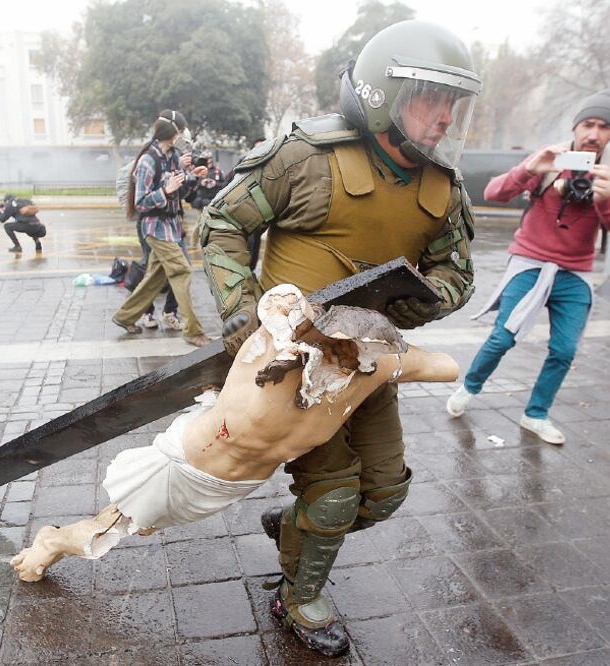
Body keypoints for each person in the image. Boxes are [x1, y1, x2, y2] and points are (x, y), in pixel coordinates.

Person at [198, 20, 480, 656]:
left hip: (368, 364)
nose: (443, 118)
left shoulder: (442, 187)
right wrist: (247, 316)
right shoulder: (306, 159)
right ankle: (297, 597)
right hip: (290, 370)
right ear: (383, 92)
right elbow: (221, 225)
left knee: (383, 494)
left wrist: (426, 299)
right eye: (429, 98)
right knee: (332, 497)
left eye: (452, 103)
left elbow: (456, 271)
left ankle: (297, 530)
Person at [10, 284, 458, 582]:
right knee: (116, 530)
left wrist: (397, 339)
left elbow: (447, 367)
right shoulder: (270, 359)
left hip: (232, 487)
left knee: (136, 527)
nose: (343, 363)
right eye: (337, 349)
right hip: (185, 467)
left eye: (354, 357)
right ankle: (51, 541)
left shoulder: (369, 372)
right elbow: (279, 301)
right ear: (314, 337)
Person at [446, 89, 610, 445]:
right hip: (530, 260)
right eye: (587, 124)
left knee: (564, 349)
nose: (594, 134)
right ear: (576, 127)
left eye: (603, 127)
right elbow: (493, 192)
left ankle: (536, 414)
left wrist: (607, 199)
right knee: (503, 337)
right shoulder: (555, 156)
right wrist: (532, 167)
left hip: (575, 271)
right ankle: (470, 387)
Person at [112, 109, 211, 347]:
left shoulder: (172, 157)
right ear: (171, 132)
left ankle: (124, 317)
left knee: (155, 278)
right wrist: (164, 191)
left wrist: (193, 177)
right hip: (155, 228)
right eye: (179, 132)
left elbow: (181, 193)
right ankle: (193, 330)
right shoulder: (148, 161)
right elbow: (140, 202)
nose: (181, 136)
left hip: (172, 226)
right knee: (182, 270)